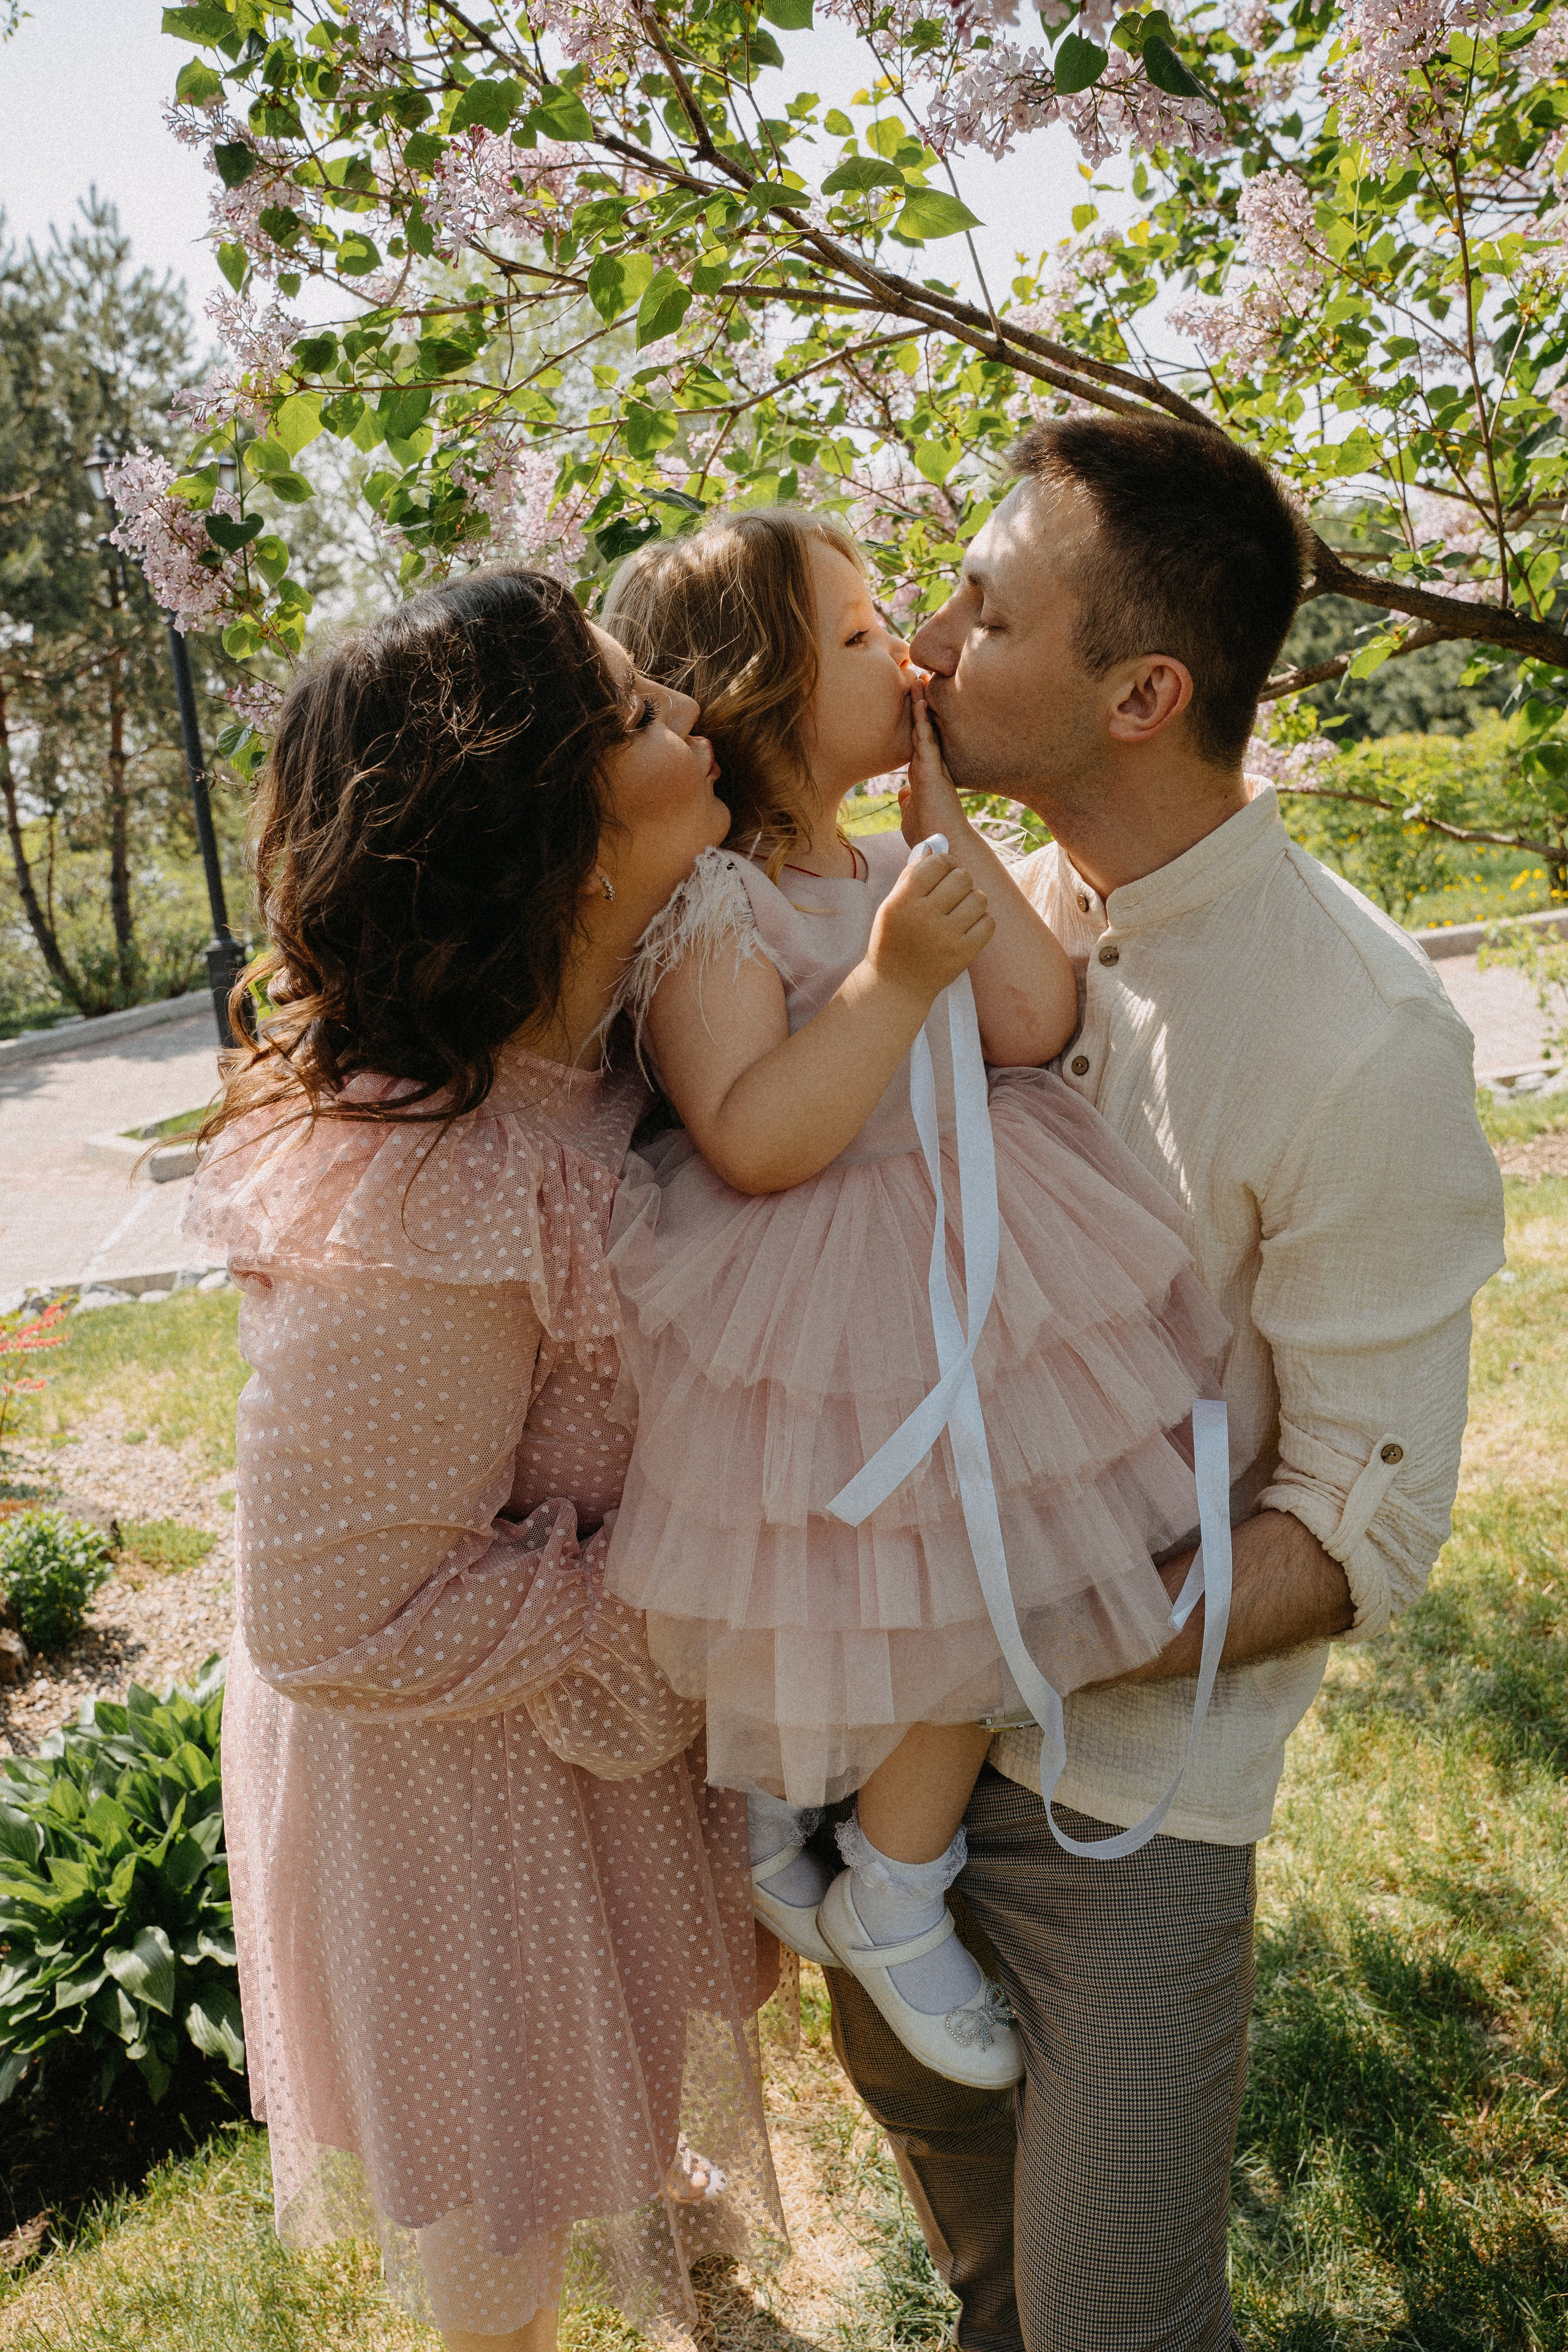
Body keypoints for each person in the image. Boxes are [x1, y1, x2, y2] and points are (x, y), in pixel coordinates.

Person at [820, 415, 1507, 2352]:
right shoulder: (988, 918)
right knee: (993, 2288)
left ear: (1142, 692)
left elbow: (1368, 1523)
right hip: (877, 1790)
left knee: (1118, 2322)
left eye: (989, 612)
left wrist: (1012, 1638)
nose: (933, 648)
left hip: (1127, 1807)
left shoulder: (1361, 1042)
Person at [183, 568, 785, 2352]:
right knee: (505, 2252)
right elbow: (329, 1615)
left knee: (625, 2126)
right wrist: (686, 1589)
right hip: (450, 1795)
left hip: (546, 1742)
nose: (687, 711)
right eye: (640, 714)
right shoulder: (430, 1193)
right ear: (568, 846)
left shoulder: (598, 1056)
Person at [596, 510, 1229, 2092]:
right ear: (760, 697)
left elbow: (1031, 1013)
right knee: (927, 1591)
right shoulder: (715, 908)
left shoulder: (897, 860)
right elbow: (747, 1134)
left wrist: (944, 837)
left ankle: (874, 1861)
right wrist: (886, 979)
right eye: (868, 639)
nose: (915, 652)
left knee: (989, 1573)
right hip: (811, 1306)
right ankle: (881, 1866)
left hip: (968, 1264)